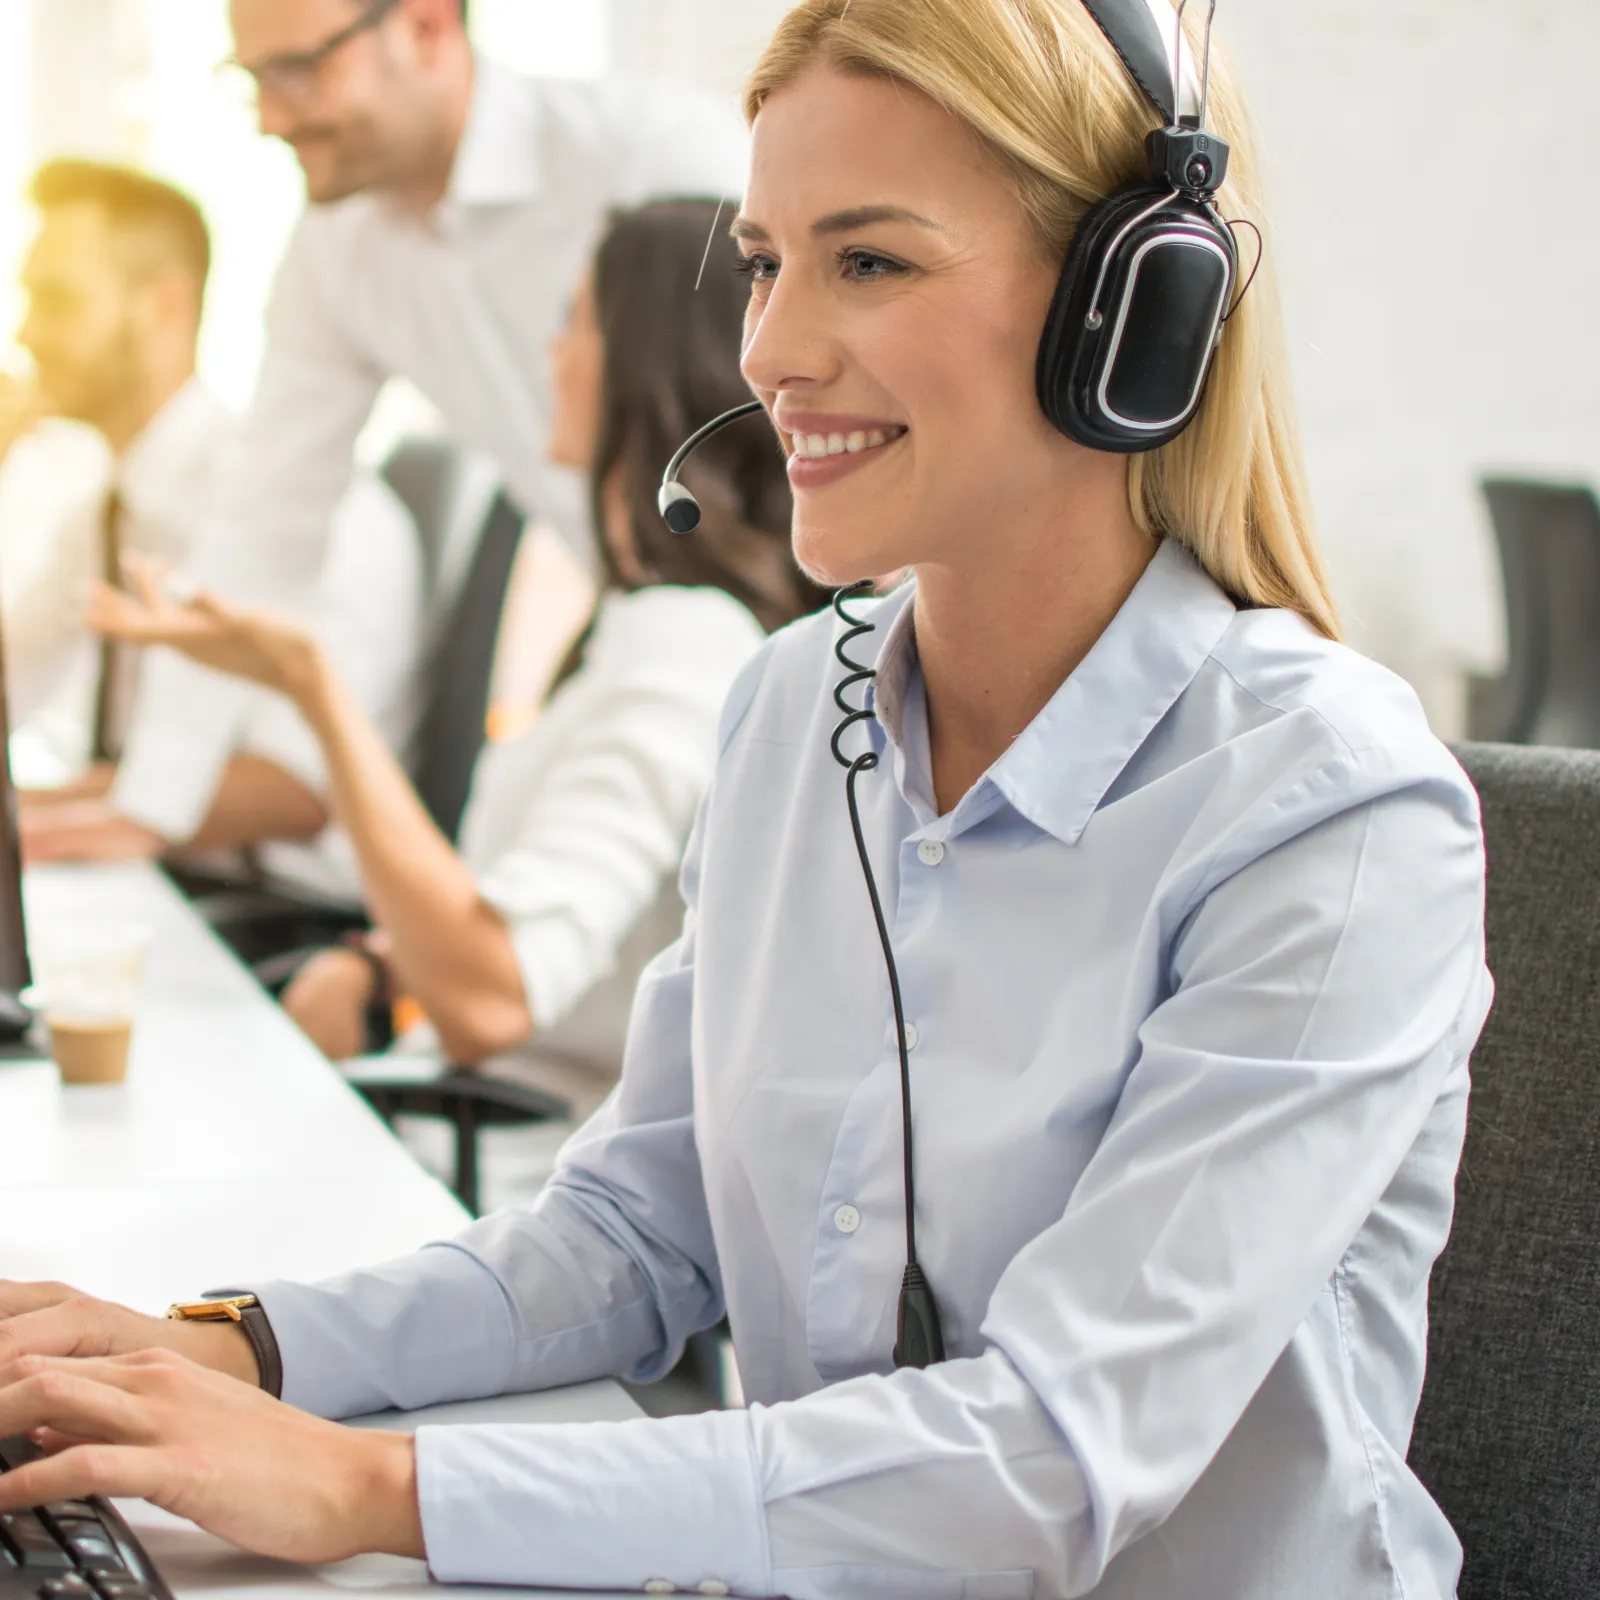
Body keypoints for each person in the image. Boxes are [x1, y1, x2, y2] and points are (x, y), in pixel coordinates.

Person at [0, 2, 1492, 1597]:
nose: (766, 351)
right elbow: (638, 1233)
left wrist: (372, 1488)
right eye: (767, 262)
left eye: (871, 261)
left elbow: (1043, 1464)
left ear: (1134, 317)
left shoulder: (1329, 814)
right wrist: (230, 1352)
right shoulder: (801, 711)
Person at [92, 198, 826, 1101]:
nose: (550, 356)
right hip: (450, 1109)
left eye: (576, 328)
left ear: (643, 371)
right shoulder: (640, 622)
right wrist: (380, 963)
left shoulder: (684, 646)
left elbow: (493, 996)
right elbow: (529, 911)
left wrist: (312, 688)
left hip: (511, 1171)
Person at [30, 0, 748, 867]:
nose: (270, 118)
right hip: (643, 607)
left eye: (301, 70)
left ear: (425, 26)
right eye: (251, 79)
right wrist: (151, 808)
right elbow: (264, 527)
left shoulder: (657, 157)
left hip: (795, 602)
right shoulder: (335, 253)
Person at [0, 159, 422, 903]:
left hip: (268, 916)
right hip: (151, 885)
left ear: (162, 307)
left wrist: (42, 822)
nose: (27, 331)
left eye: (57, 300)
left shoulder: (312, 509)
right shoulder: (107, 511)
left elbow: (291, 788)